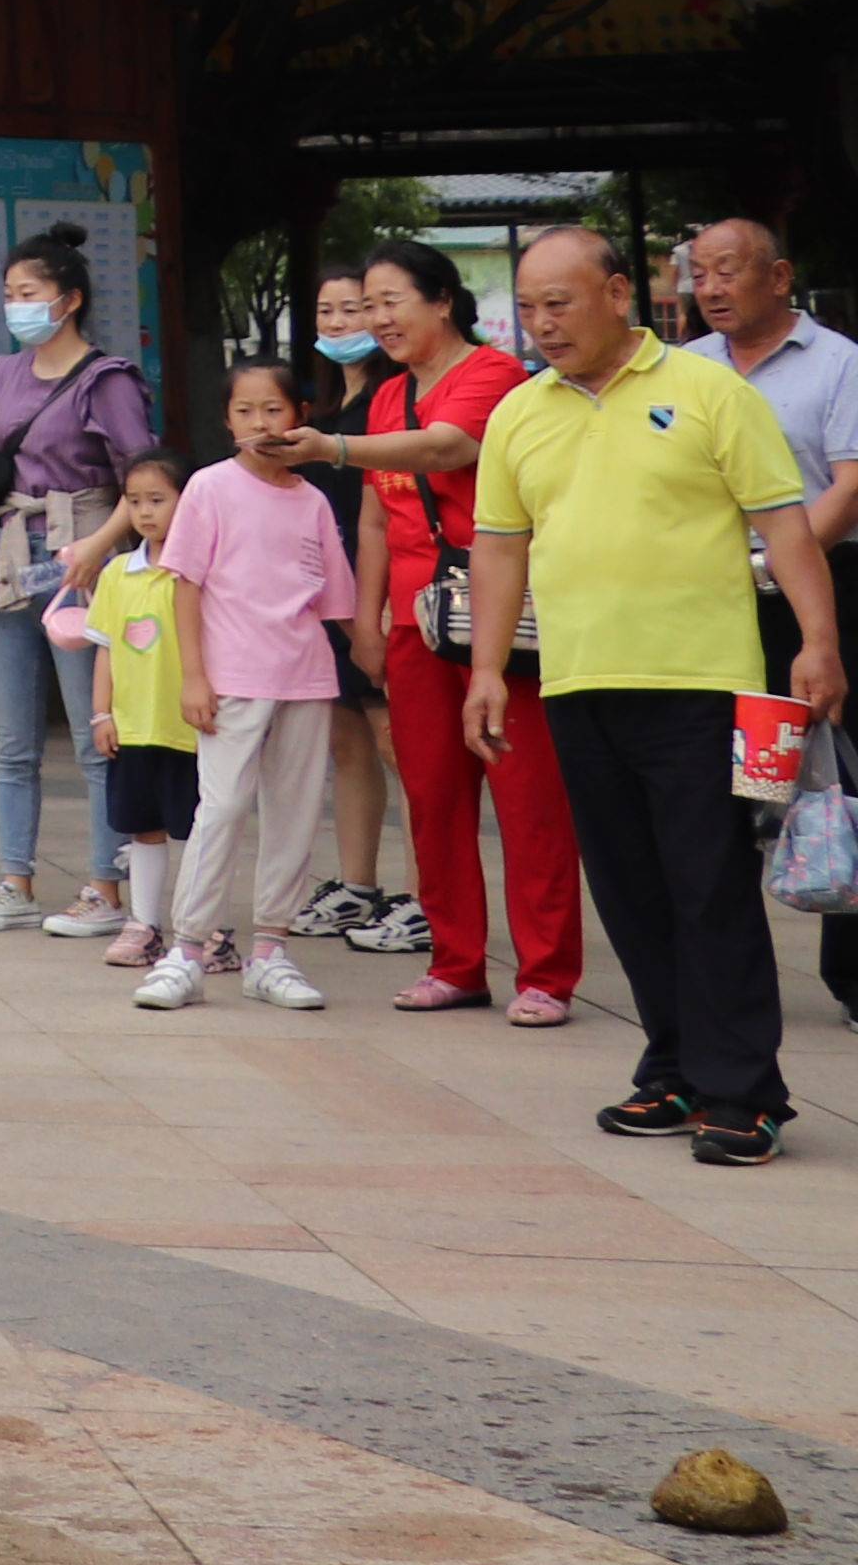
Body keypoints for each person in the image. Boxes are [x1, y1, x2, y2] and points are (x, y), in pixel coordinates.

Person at [475, 222, 842, 1165]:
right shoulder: (522, 411)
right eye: (527, 308)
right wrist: (485, 669)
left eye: (558, 303)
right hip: (579, 679)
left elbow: (784, 523)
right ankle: (673, 1070)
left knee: (708, 884)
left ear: (616, 296)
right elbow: (499, 545)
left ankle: (744, 1094)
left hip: (700, 684)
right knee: (630, 890)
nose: (542, 324)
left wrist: (817, 641)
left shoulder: (709, 391)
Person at [287, 240, 576, 1019]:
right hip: (415, 623)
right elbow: (378, 517)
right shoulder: (386, 398)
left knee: (527, 801)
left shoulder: (495, 377)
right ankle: (456, 964)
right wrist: (366, 622)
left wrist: (333, 446)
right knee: (433, 797)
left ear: (442, 300)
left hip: (501, 618)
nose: (379, 318)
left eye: (391, 301)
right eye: (368, 303)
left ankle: (547, 975)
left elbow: (450, 446)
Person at [0, 222, 157, 936]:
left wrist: (99, 545)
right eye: (8, 294)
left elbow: (144, 479)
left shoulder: (108, 378)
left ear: (68, 300)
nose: (15, 306)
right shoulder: (2, 373)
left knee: (97, 730)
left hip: (79, 556)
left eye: (27, 293)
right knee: (13, 739)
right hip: (6, 554)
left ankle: (104, 887)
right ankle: (14, 879)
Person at [680, 216, 858, 1027]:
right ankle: (729, 973)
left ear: (779, 277)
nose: (710, 288)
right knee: (734, 785)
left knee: (838, 778)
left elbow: (848, 487)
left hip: (822, 587)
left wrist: (771, 566)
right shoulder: (684, 370)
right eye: (699, 274)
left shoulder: (838, 363)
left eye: (728, 271)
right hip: (714, 600)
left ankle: (852, 970)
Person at [157, 360, 356, 1012]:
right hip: (233, 675)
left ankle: (271, 949)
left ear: (299, 416)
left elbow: (335, 603)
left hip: (304, 675)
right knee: (222, 809)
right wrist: (194, 675)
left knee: (295, 813)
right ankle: (186, 950)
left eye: (272, 409)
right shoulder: (210, 488)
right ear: (227, 420)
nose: (259, 423)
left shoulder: (313, 500)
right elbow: (185, 585)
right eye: (244, 411)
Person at [292, 269, 405, 946]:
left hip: (381, 599)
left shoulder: (394, 402)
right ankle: (359, 886)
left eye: (353, 309)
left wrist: (377, 610)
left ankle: (430, 897)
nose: (336, 323)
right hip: (326, 601)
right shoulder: (325, 410)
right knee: (348, 745)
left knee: (402, 748)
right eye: (326, 311)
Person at [67, 453, 202, 974]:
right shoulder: (118, 573)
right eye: (135, 501)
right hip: (134, 727)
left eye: (158, 500)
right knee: (142, 828)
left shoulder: (197, 572)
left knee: (195, 829)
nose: (146, 513)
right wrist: (102, 715)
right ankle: (144, 924)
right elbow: (104, 649)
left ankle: (203, 927)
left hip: (188, 728)